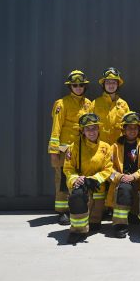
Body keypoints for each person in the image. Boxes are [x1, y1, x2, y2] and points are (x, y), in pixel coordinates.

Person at [48, 70, 93, 225]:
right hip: (64, 150)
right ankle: (62, 212)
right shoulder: (62, 103)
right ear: (70, 86)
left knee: (79, 180)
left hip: (81, 149)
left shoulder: (88, 104)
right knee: (62, 180)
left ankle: (78, 208)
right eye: (75, 85)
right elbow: (56, 129)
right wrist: (54, 151)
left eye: (81, 85)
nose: (78, 87)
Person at [63, 113, 113, 244]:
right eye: (88, 129)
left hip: (98, 187)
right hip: (81, 184)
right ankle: (77, 231)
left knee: (95, 225)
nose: (91, 132)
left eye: (94, 128)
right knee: (77, 196)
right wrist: (75, 179)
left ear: (99, 129)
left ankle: (93, 220)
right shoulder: (74, 147)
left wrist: (95, 179)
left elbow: (109, 168)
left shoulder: (106, 147)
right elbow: (68, 169)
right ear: (82, 131)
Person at [106, 111, 140, 239]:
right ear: (123, 129)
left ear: (139, 129)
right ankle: (120, 226)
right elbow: (108, 168)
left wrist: (134, 176)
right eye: (129, 127)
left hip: (139, 180)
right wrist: (120, 177)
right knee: (124, 188)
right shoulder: (114, 147)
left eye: (135, 128)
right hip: (122, 182)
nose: (132, 130)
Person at [92, 67, 130, 145]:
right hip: (99, 148)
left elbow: (128, 127)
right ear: (103, 85)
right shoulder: (95, 103)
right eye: (108, 82)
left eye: (114, 82)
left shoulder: (124, 104)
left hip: (118, 147)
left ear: (118, 85)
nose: (111, 85)